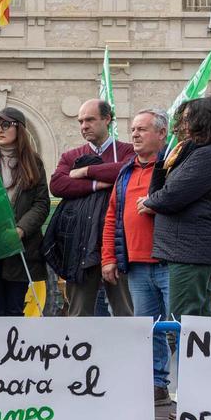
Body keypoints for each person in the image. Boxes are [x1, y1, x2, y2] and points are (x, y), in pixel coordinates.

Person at [142, 96, 211, 319]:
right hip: (190, 250)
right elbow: (161, 191)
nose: (183, 125)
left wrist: (149, 202)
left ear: (204, 121)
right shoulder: (197, 152)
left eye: (188, 119)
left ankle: (183, 356)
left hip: (191, 251)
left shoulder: (208, 156)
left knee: (183, 323)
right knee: (197, 322)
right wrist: (163, 160)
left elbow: (169, 197)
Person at [102, 109, 171, 404]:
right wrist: (109, 257)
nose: (135, 135)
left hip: (170, 263)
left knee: (179, 329)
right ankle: (157, 385)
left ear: (162, 134)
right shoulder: (126, 172)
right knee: (149, 329)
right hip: (138, 266)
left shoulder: (172, 168)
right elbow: (112, 217)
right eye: (133, 129)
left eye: (143, 129)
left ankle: (195, 389)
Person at [46, 99, 133, 316]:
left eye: (90, 120)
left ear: (107, 119)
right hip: (81, 247)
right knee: (79, 316)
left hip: (118, 246)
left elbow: (125, 170)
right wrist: (96, 184)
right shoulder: (70, 156)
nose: (84, 125)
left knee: (127, 315)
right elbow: (58, 184)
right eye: (81, 121)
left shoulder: (126, 152)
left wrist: (85, 172)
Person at [0, 108, 50, 316]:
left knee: (15, 310)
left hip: (20, 249)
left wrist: (21, 229)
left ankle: (13, 349)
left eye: (6, 125)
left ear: (20, 129)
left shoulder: (34, 162)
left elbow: (41, 204)